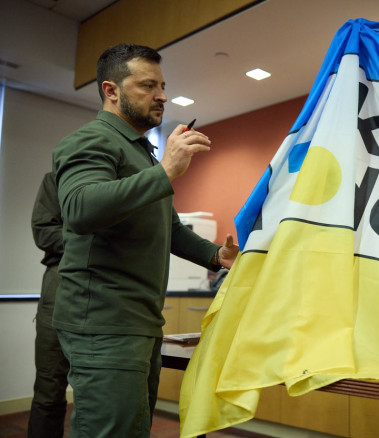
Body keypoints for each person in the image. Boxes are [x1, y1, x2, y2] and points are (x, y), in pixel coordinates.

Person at [51, 43, 238, 437]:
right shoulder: (92, 141)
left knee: (132, 428)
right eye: (148, 85)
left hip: (139, 322)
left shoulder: (144, 156)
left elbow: (169, 230)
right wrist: (167, 170)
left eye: (163, 85)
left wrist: (216, 255)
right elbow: (81, 210)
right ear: (111, 91)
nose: (162, 96)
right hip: (104, 322)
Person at [28, 172, 69, 438]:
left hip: (115, 288)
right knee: (49, 387)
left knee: (103, 393)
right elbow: (44, 233)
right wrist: (98, 242)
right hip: (61, 281)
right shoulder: (58, 178)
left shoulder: (133, 178)